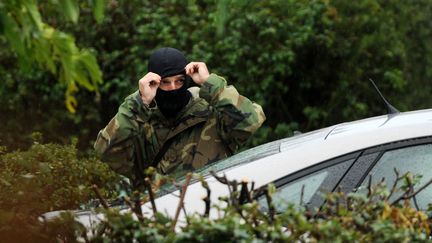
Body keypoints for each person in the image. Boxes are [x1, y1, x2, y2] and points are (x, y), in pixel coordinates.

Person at [94, 47, 265, 187]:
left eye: (179, 81)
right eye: (165, 82)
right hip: (157, 220)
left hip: (211, 216)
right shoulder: (140, 122)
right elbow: (106, 152)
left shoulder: (213, 114)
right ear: (153, 84)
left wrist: (210, 83)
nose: (173, 88)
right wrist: (138, 102)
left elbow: (250, 122)